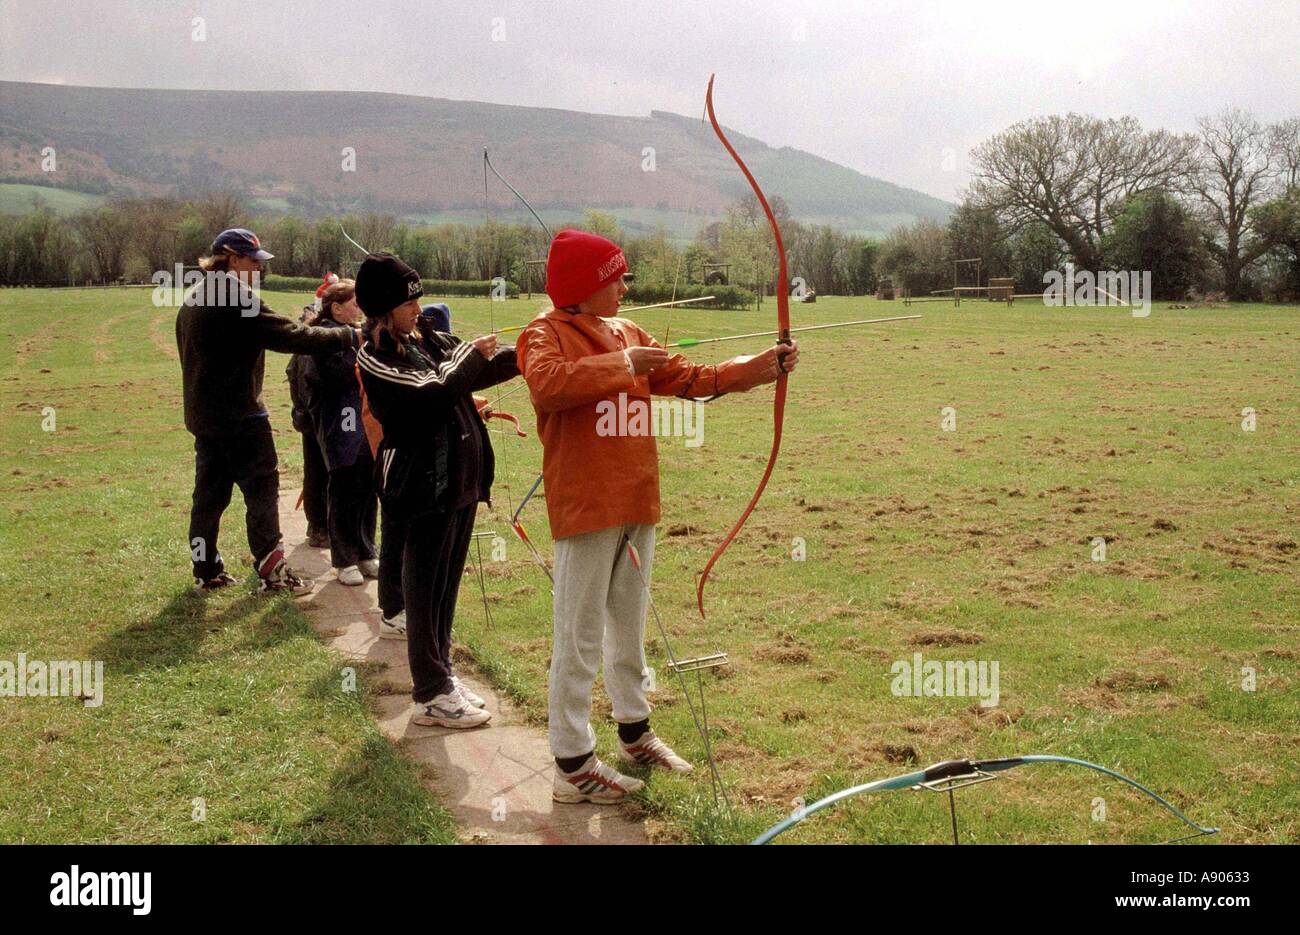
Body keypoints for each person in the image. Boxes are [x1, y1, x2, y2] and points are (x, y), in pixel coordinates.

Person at [515, 229, 799, 803]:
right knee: (578, 635)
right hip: (587, 504)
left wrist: (760, 368)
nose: (623, 286)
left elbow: (691, 378)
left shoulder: (626, 331)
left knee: (629, 626)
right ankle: (572, 761)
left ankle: (635, 731)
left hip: (636, 499)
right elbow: (547, 387)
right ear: (586, 287)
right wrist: (622, 365)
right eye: (614, 278)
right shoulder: (543, 333)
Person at [355, 253, 518, 728]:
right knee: (423, 589)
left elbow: (478, 372)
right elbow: (434, 388)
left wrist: (532, 352)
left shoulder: (424, 335)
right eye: (409, 300)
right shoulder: (376, 355)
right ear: (384, 308)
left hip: (459, 483)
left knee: (446, 586)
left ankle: (442, 675)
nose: (418, 307)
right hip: (422, 486)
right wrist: (472, 355)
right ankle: (428, 691)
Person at [177, 228, 360, 594]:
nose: (259, 271)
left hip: (204, 417)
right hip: (241, 417)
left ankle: (206, 570)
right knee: (262, 490)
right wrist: (353, 335)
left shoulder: (196, 296)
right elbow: (295, 337)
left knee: (209, 496)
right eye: (253, 262)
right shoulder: (235, 295)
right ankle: (274, 575)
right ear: (231, 258)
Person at [307, 279, 378, 586]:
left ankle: (365, 550)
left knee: (368, 482)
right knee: (345, 484)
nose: (360, 310)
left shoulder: (360, 335)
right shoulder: (321, 336)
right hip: (337, 420)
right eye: (354, 304)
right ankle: (344, 558)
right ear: (336, 308)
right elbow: (336, 374)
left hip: (363, 418)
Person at [287, 302, 329, 548]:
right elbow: (301, 377)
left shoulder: (308, 341)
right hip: (317, 418)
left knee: (315, 473)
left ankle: (318, 527)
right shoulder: (315, 342)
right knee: (318, 474)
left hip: (309, 415)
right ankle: (319, 528)